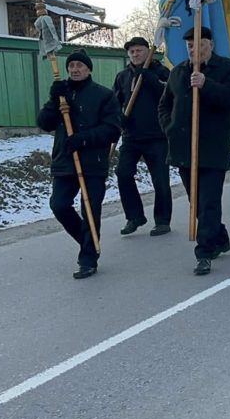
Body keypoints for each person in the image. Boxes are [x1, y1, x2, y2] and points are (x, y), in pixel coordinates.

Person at [158, 27, 230, 276]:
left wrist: (206, 84)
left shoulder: (227, 68)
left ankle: (204, 252)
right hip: (184, 148)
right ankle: (220, 236)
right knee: (195, 201)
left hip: (212, 147)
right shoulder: (178, 72)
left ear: (211, 44)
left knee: (208, 202)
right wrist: (170, 127)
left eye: (199, 44)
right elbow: (165, 104)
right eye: (190, 45)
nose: (194, 48)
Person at [36, 49, 122, 280]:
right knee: (59, 205)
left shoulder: (103, 95)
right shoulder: (62, 94)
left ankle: (87, 259)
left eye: (79, 66)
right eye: (71, 66)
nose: (74, 70)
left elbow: (113, 129)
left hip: (92, 162)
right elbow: (44, 123)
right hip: (65, 161)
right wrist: (54, 101)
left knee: (90, 210)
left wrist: (84, 138)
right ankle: (89, 242)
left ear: (88, 69)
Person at [113, 36, 173, 237]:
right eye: (132, 52)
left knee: (160, 180)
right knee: (122, 173)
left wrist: (151, 80)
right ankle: (134, 216)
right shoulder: (123, 76)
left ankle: (163, 221)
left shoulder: (161, 72)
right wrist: (119, 118)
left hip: (157, 136)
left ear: (148, 51)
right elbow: (114, 102)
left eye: (139, 50)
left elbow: (171, 95)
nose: (135, 54)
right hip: (131, 136)